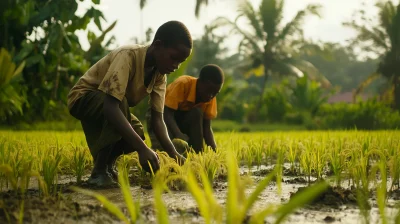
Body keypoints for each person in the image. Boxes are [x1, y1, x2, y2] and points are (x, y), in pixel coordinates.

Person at [67, 20, 192, 187]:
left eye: (180, 62)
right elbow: (111, 107)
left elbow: (157, 120)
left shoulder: (159, 75)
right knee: (120, 106)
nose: (176, 66)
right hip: (82, 98)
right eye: (173, 58)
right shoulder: (128, 56)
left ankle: (107, 166)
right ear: (158, 45)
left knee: (137, 132)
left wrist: (174, 154)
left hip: (112, 104)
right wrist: (142, 149)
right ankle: (98, 172)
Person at [147, 64, 224, 153]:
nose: (210, 96)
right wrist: (179, 135)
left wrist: (215, 153)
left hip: (181, 119)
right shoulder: (183, 83)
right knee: (165, 151)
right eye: (208, 90)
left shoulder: (210, 98)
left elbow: (207, 128)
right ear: (200, 82)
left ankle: (197, 153)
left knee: (196, 112)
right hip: (160, 116)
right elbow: (167, 114)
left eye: (215, 93)